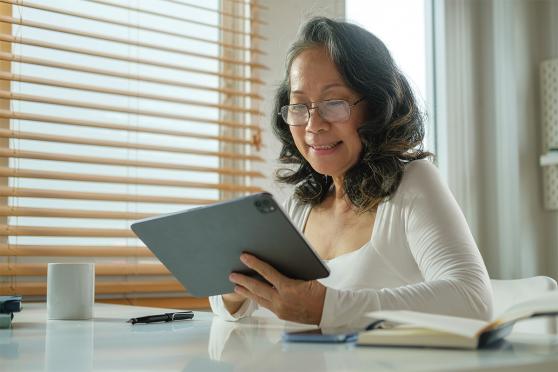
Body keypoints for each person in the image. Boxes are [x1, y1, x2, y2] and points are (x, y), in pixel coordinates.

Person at [209, 17, 493, 328]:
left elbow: (472, 299)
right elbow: (228, 310)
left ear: (376, 106)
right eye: (299, 105)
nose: (314, 125)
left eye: (333, 103)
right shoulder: (300, 205)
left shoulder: (412, 183)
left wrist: (325, 308)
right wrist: (237, 289)